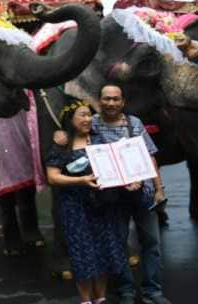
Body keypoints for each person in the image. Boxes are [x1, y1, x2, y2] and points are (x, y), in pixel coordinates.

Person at [55, 84, 170, 304]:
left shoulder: (133, 123)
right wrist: (60, 134)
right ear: (99, 101)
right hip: (113, 196)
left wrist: (158, 188)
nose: (111, 103)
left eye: (116, 99)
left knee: (152, 243)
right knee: (118, 244)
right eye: (106, 99)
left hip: (142, 191)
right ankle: (126, 289)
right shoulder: (92, 123)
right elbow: (71, 130)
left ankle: (152, 291)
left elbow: (149, 156)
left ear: (123, 102)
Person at [46, 101, 127, 304]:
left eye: (90, 115)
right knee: (83, 254)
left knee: (104, 252)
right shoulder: (62, 145)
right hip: (75, 208)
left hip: (103, 205)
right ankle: (85, 300)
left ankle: (100, 298)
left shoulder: (100, 140)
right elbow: (53, 177)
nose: (87, 119)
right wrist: (80, 180)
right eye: (82, 115)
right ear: (70, 120)